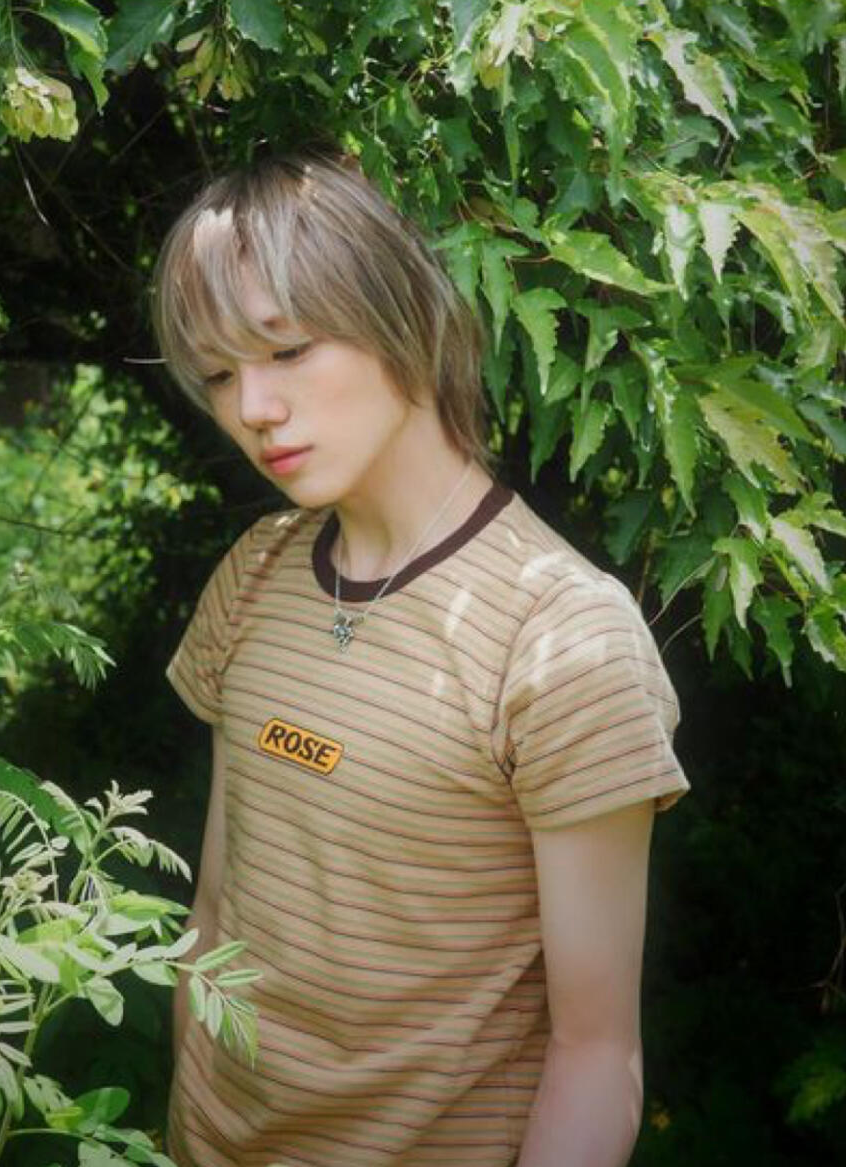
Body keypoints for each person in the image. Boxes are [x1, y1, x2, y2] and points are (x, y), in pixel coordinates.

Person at [151, 151, 688, 1167]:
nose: (252, 406)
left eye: (287, 348)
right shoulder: (256, 572)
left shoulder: (562, 638)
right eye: (218, 374)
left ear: (400, 315)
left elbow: (595, 1058)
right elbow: (215, 917)